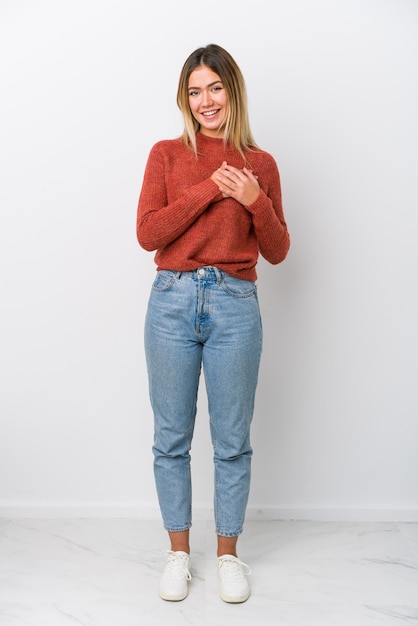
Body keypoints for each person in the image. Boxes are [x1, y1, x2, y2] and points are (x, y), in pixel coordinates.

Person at [136, 43, 290, 604]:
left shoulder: (262, 164)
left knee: (231, 440)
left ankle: (227, 556)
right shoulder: (166, 155)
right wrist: (209, 188)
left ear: (233, 91)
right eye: (195, 91)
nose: (206, 101)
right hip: (172, 301)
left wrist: (253, 200)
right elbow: (149, 233)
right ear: (185, 98)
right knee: (170, 438)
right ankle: (179, 553)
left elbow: (278, 250)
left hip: (234, 305)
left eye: (215, 88)